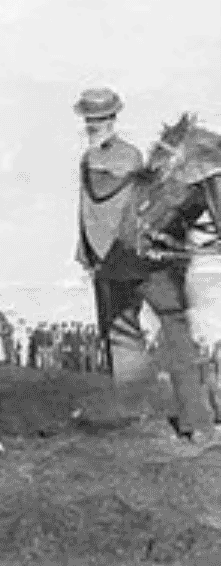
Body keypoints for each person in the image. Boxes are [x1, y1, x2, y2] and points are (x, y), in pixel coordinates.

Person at [73, 88, 215, 449]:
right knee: (123, 336)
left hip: (144, 264)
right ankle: (144, 416)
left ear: (113, 120)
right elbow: (90, 211)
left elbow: (120, 196)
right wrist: (88, 254)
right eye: (90, 120)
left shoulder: (125, 158)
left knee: (173, 337)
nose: (94, 126)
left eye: (100, 120)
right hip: (110, 263)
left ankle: (194, 421)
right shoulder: (96, 159)